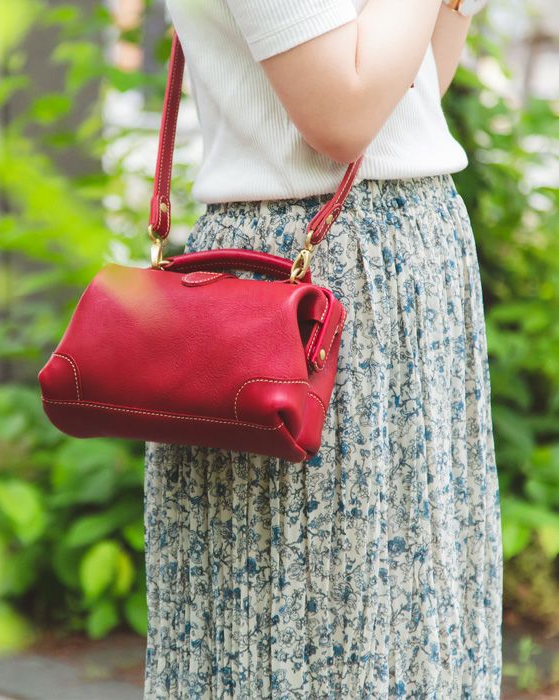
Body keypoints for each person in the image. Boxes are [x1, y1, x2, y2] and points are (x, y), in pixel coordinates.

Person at [143, 0, 503, 697]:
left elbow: (413, 87)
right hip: (309, 278)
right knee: (318, 617)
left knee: (405, 606)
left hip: (404, 262)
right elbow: (343, 114)